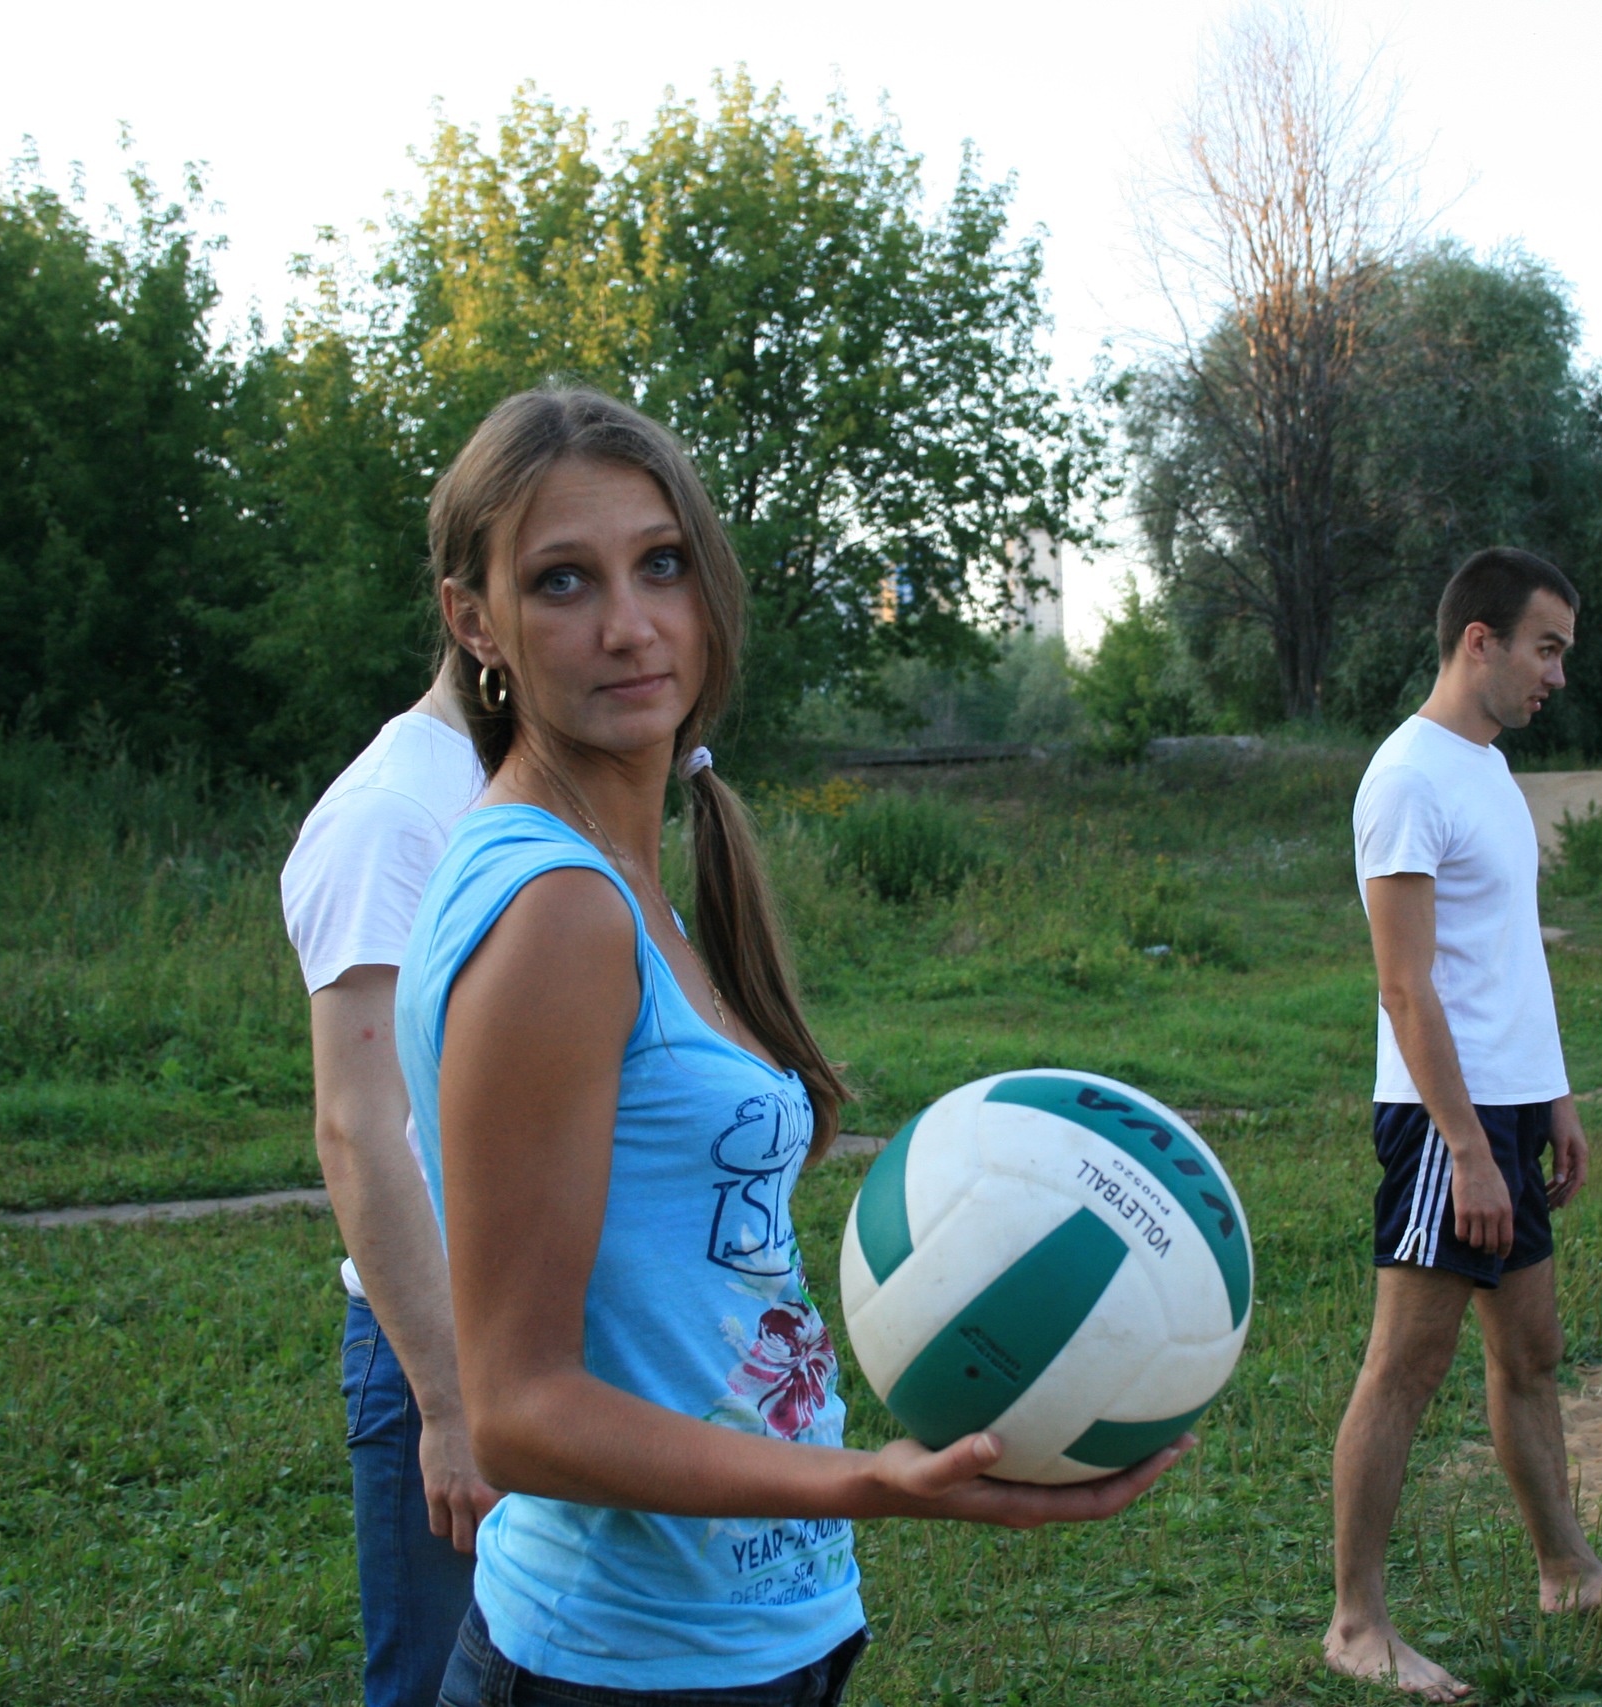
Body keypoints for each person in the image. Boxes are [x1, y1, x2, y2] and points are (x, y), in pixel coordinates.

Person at [398, 385, 1188, 1706]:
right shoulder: (554, 910)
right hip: (623, 1663)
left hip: (747, 1633)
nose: (629, 624)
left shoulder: (619, 882)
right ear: (474, 620)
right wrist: (865, 1482)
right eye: (560, 580)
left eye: (661, 564)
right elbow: (519, 1412)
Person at [1324, 547, 1602, 1703]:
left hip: (1510, 1108)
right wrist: (1468, 1149)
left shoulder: (1485, 768)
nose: (1558, 675)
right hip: (1444, 1121)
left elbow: (1502, 958)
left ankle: (1567, 1571)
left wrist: (1554, 1097)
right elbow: (1406, 989)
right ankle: (1355, 1623)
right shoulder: (1407, 777)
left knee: (1529, 1354)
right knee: (1405, 1367)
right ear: (1477, 640)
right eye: (1546, 648)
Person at [281, 656, 501, 1707]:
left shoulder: (518, 784)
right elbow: (359, 1126)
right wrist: (448, 1405)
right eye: (561, 586)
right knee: (438, 1686)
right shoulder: (392, 812)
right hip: (442, 1343)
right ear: (473, 615)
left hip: (550, 1328)